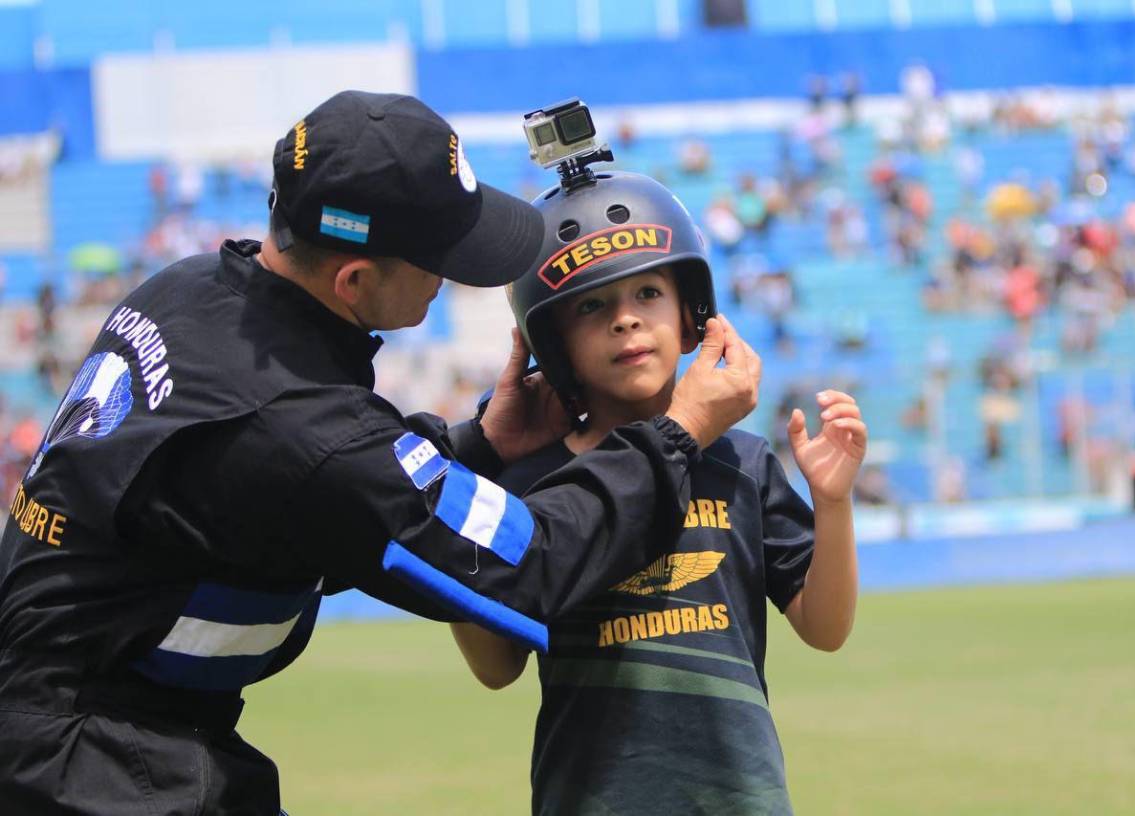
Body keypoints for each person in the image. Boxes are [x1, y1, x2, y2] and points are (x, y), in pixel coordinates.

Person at [0, 91, 762, 815]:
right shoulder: (299, 428)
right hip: (85, 770)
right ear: (357, 276)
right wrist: (677, 433)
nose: (448, 280)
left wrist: (480, 444)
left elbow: (309, 494)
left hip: (70, 720)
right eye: (439, 259)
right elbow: (528, 563)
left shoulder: (189, 291)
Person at [450, 171, 866, 815]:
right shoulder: (530, 485)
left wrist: (833, 503)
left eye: (648, 291)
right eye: (592, 305)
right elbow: (496, 666)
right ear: (550, 341)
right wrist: (463, 511)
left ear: (691, 311)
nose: (625, 320)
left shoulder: (742, 463)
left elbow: (826, 626)